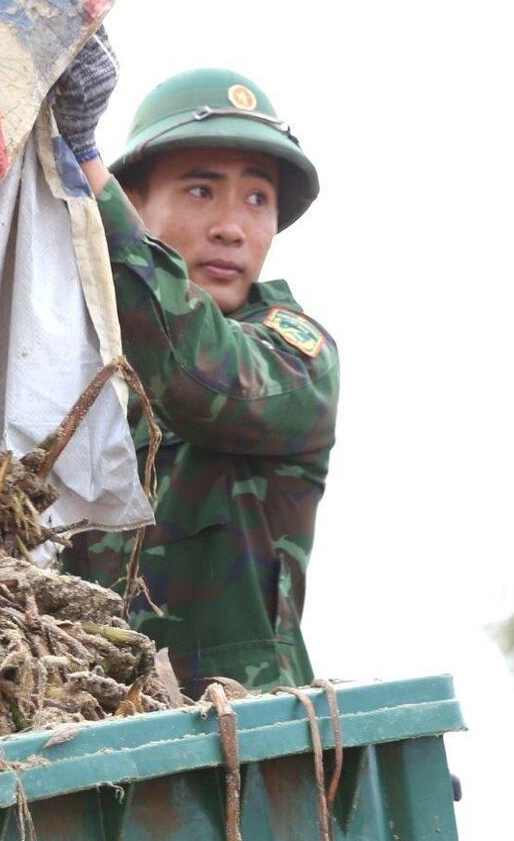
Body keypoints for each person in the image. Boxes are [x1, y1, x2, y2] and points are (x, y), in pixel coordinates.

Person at [51, 48, 339, 695]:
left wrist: (85, 164)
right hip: (84, 742)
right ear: (136, 203)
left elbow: (194, 367)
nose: (233, 227)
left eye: (258, 198)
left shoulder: (296, 359)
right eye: (201, 190)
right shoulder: (75, 373)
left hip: (253, 755)